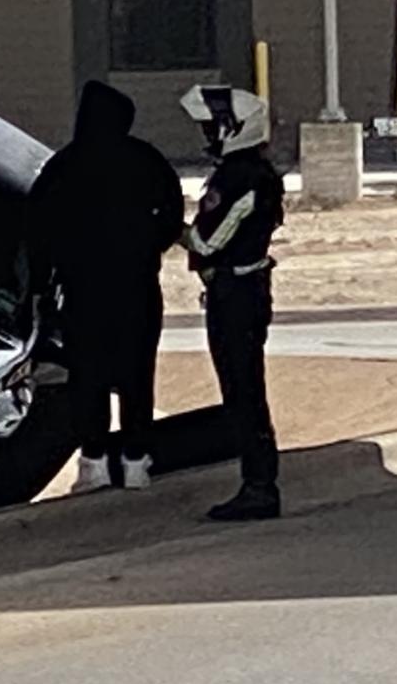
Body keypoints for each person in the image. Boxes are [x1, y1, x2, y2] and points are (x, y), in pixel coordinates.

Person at [29, 81, 185, 493]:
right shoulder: (145, 160)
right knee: (138, 372)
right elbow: (172, 215)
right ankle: (136, 460)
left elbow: (38, 228)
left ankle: (94, 462)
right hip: (137, 287)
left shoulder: (65, 165)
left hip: (82, 291)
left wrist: (43, 283)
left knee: (88, 376)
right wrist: (148, 247)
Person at [181, 86, 285, 521]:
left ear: (233, 128)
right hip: (244, 289)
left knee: (243, 390)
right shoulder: (255, 173)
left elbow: (207, 242)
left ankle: (259, 486)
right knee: (243, 388)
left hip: (236, 293)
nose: (208, 134)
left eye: (213, 126)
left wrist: (164, 222)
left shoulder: (238, 178)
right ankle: (257, 482)